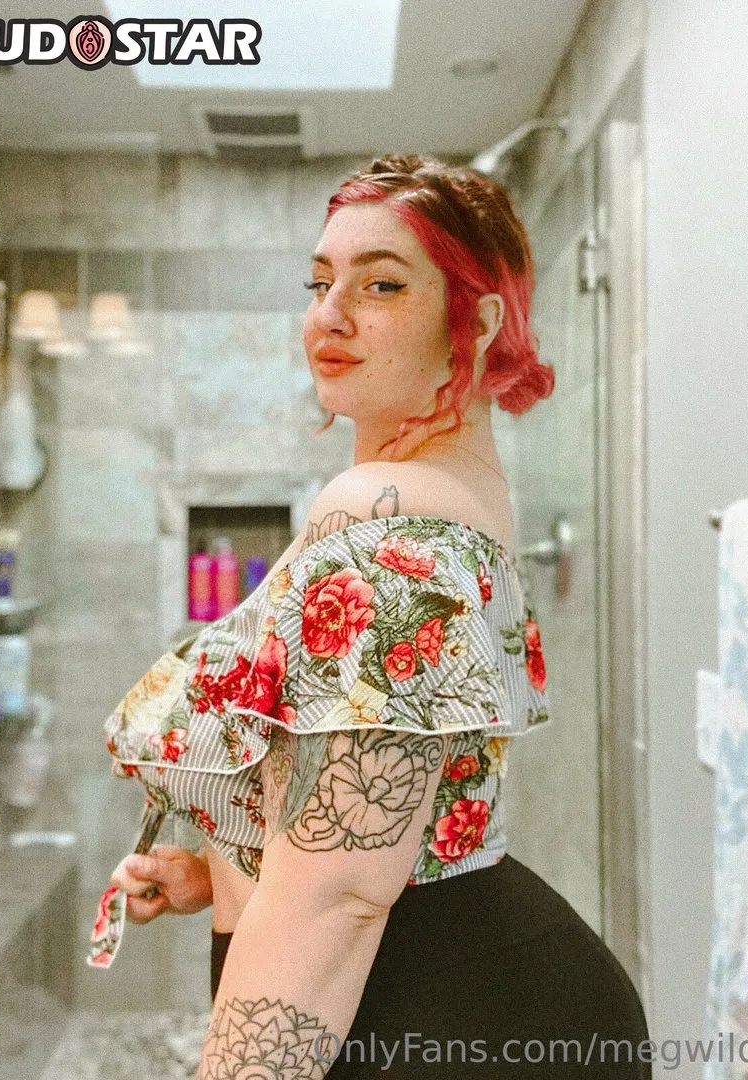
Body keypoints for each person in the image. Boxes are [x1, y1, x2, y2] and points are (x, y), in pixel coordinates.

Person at [102, 154, 652, 1077]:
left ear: (476, 322)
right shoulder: (449, 497)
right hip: (454, 987)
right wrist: (227, 865)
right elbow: (381, 814)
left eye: (382, 284)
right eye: (319, 282)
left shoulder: (380, 515)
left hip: (434, 1013)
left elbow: (338, 900)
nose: (330, 313)